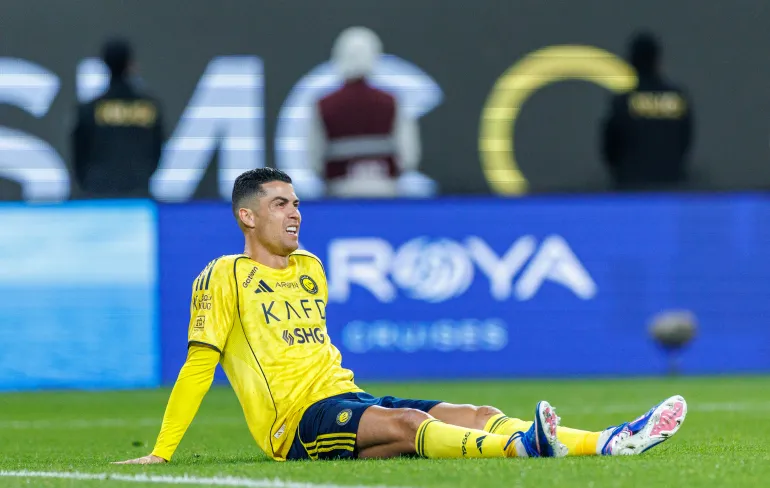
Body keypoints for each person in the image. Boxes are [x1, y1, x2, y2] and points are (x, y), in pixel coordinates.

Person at [114, 167, 687, 465]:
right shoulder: (222, 276)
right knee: (414, 429)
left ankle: (609, 442)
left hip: (346, 398)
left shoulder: (311, 267)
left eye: (296, 203)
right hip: (295, 425)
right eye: (280, 204)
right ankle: (527, 447)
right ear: (246, 215)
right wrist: (162, 450)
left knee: (475, 412)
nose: (295, 214)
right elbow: (198, 366)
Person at [306, 27, 431, 198]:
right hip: (386, 188)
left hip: (339, 191)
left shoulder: (324, 104)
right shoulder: (391, 101)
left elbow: (314, 157)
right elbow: (408, 155)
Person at [71, 38, 164, 198]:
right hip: (137, 193)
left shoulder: (90, 109)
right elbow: (157, 150)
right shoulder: (149, 108)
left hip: (99, 193)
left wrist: (90, 183)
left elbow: (79, 153)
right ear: (131, 65)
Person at [601, 32, 694, 191]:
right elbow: (685, 140)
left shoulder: (624, 102)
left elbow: (611, 147)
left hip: (631, 186)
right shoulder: (676, 98)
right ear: (656, 60)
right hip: (671, 184)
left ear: (632, 62)